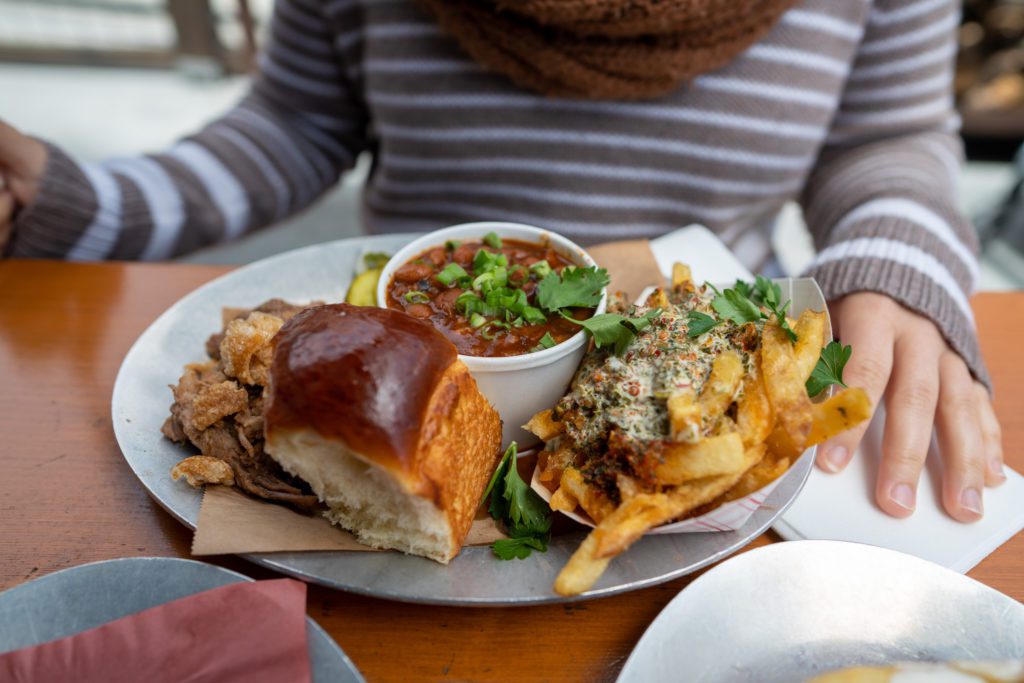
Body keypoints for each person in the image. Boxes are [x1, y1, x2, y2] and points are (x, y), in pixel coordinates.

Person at [0, 0, 1004, 521]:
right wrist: (71, 201)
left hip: (705, 382)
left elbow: (887, 137)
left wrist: (893, 262)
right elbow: (296, 121)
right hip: (398, 377)